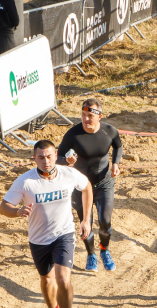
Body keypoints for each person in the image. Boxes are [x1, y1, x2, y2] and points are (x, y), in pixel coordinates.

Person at [1, 140, 94, 308]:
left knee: (63, 279)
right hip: (39, 239)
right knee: (47, 279)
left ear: (56, 156)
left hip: (64, 234)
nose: (46, 162)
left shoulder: (69, 174)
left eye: (49, 157)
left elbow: (87, 188)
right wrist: (17, 212)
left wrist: (86, 220)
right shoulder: (25, 181)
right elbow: (3, 207)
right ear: (34, 158)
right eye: (41, 157)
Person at [56, 99, 121, 272]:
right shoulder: (73, 134)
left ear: (100, 116)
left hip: (104, 183)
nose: (86, 119)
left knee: (105, 222)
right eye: (83, 115)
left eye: (90, 116)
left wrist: (115, 163)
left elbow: (118, 146)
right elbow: (57, 157)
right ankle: (91, 254)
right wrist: (66, 161)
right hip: (81, 186)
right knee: (86, 223)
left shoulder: (109, 131)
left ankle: (104, 250)